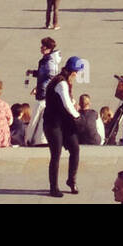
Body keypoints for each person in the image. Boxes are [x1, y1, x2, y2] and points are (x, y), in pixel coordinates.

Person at [43, 58, 85, 198]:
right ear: (73, 72)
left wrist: (74, 103)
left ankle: (71, 181)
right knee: (56, 155)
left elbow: (68, 99)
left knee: (75, 149)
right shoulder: (61, 83)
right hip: (53, 124)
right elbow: (67, 104)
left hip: (65, 123)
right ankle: (53, 187)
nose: (78, 75)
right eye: (77, 72)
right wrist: (78, 117)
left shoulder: (64, 81)